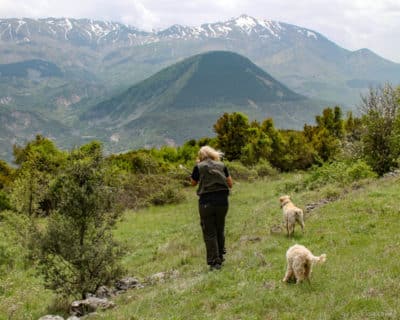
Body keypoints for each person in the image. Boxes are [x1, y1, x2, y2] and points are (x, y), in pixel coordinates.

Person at [190, 146, 233, 270]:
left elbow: (193, 183)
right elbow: (230, 184)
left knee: (209, 231)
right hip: (223, 202)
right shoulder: (221, 165)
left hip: (206, 203)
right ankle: (220, 255)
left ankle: (215, 262)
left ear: (200, 156)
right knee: (220, 228)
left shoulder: (198, 167)